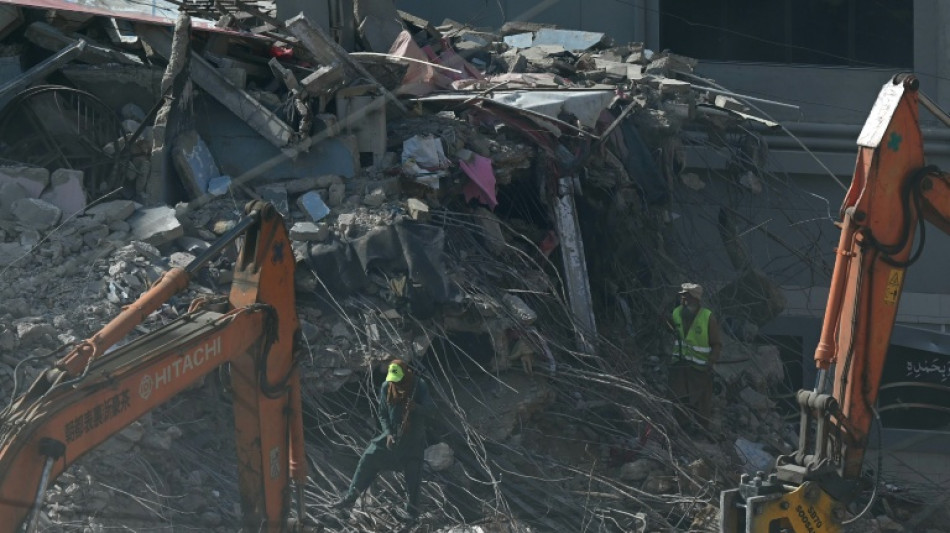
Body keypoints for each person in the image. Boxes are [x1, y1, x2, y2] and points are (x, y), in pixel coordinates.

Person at [332, 359, 434, 521]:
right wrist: (388, 433)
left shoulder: (418, 385)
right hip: (393, 435)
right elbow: (383, 415)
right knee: (369, 457)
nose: (395, 383)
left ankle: (412, 512)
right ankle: (350, 497)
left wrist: (416, 407)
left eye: (398, 380)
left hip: (413, 438)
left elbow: (431, 410)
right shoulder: (387, 387)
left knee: (413, 475)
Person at [669, 282, 722, 429]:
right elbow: (671, 328)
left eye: (686, 296)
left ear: (695, 299)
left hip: (700, 369)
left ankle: (702, 431)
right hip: (679, 366)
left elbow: (716, 344)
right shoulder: (676, 313)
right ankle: (681, 429)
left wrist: (711, 361)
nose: (683, 299)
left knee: (701, 402)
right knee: (678, 397)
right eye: (682, 296)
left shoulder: (708, 317)